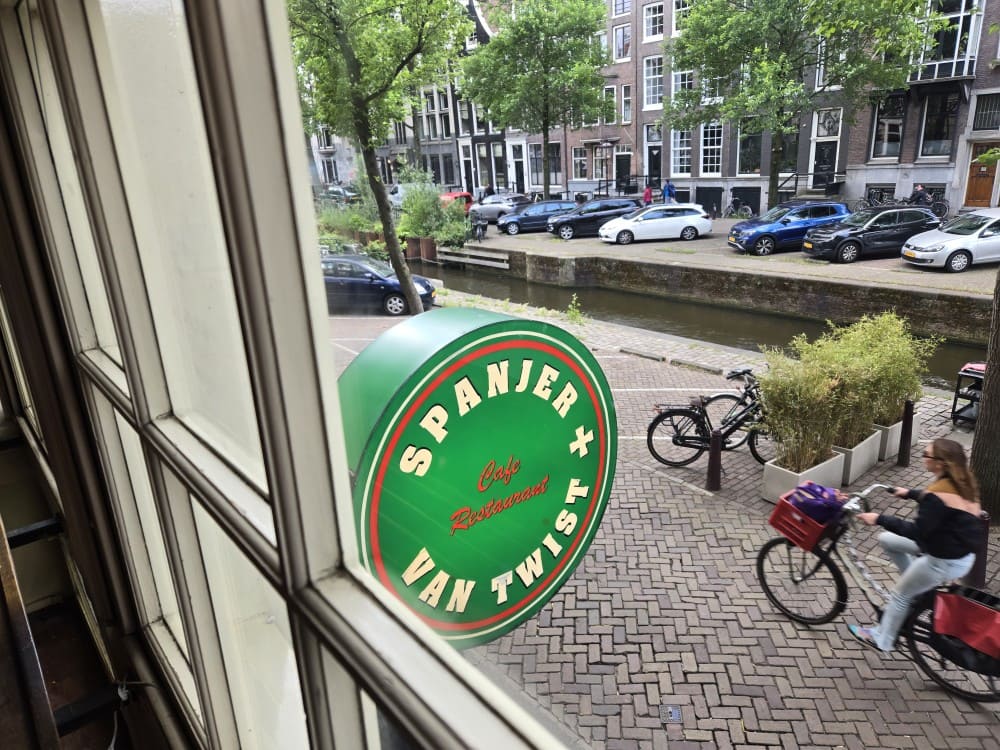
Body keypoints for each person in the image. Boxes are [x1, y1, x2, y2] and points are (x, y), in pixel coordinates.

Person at [848, 438, 982, 653]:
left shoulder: (938, 496)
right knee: (887, 540)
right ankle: (917, 585)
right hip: (957, 554)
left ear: (941, 463)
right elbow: (941, 503)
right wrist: (909, 493)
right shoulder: (963, 482)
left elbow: (916, 531)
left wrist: (879, 518)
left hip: (942, 560)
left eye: (926, 455)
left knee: (901, 595)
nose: (923, 458)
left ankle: (883, 639)